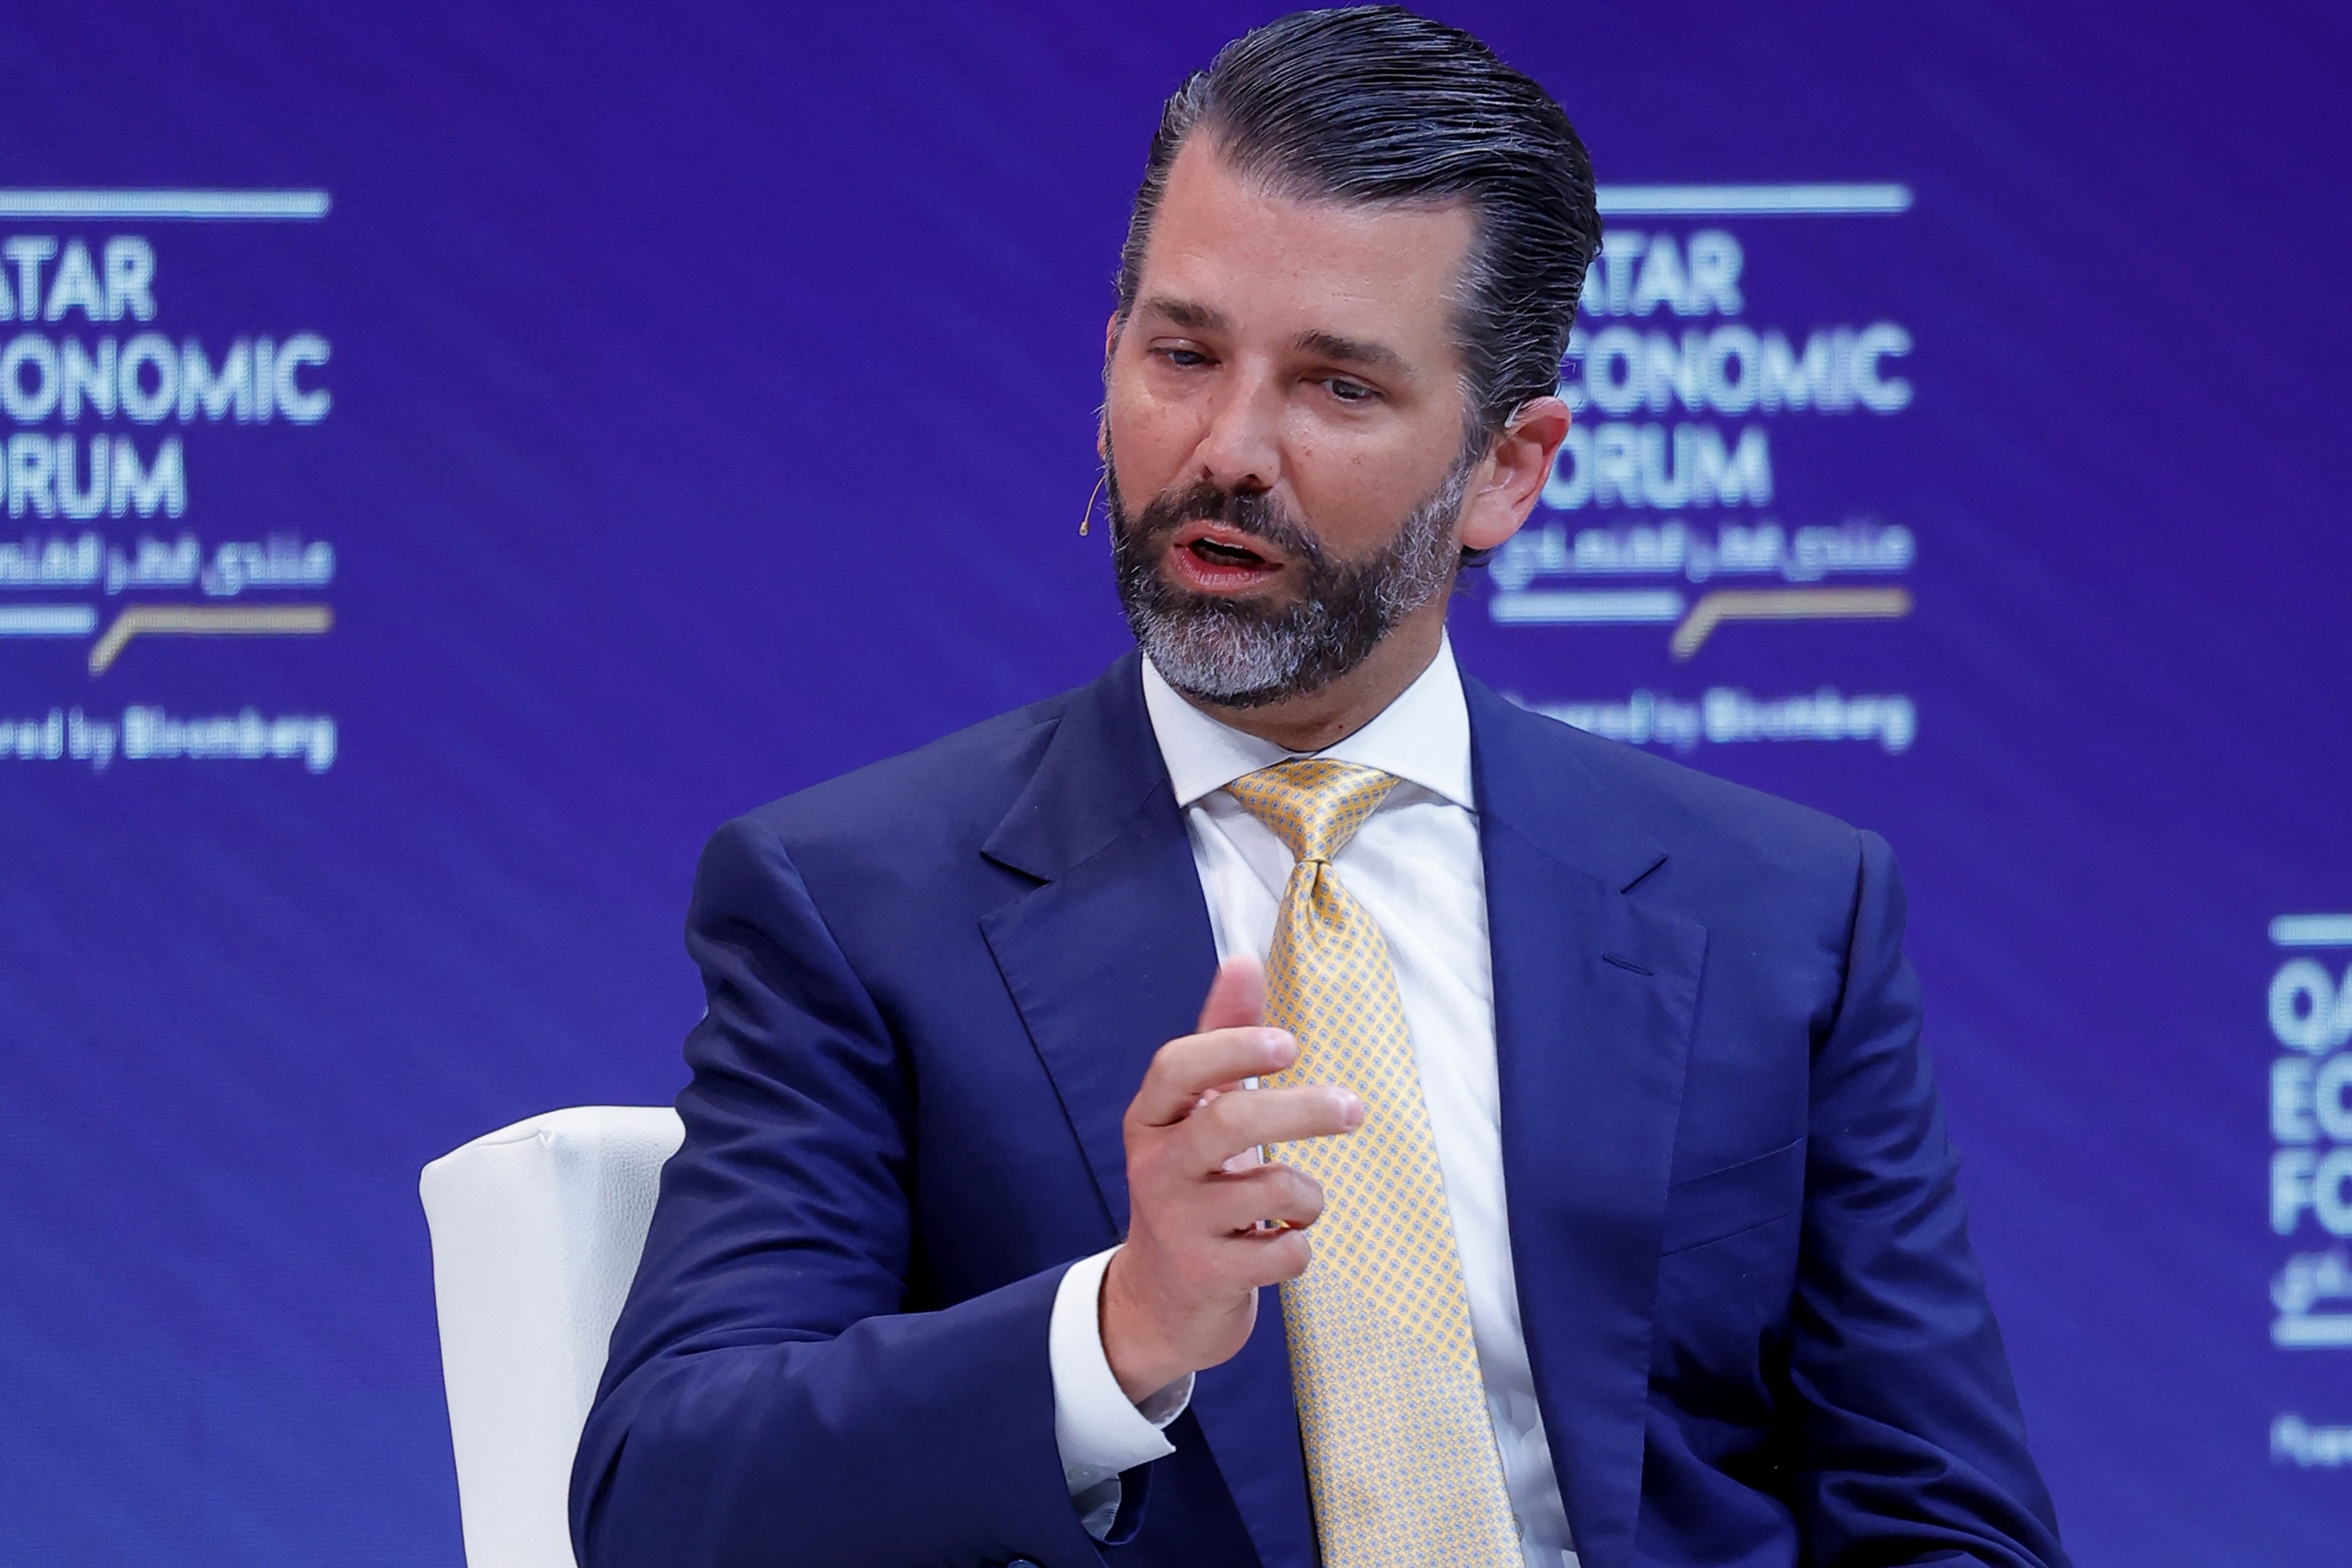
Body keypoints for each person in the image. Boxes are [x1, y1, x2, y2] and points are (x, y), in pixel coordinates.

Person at [571, 9, 2069, 1567]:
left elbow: (1942, 1517)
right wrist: (1121, 1323)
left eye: (1336, 386)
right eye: (1180, 355)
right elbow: (664, 1493)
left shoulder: (1779, 912)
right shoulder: (860, 905)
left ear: (1506, 467)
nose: (1225, 447)